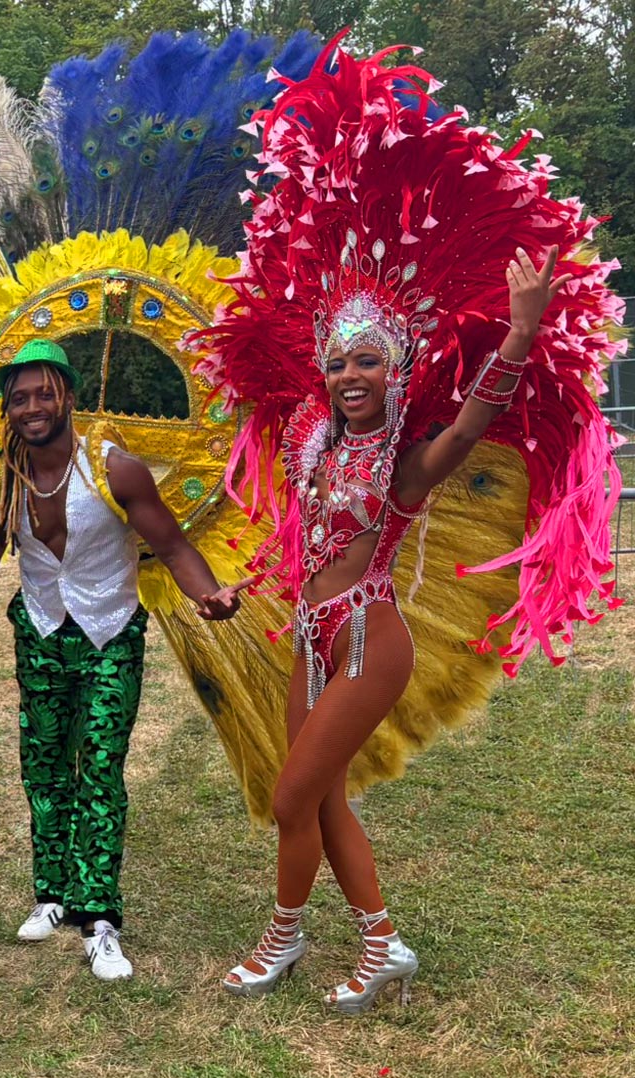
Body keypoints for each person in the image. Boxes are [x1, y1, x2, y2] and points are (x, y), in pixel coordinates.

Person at [196, 41, 621, 1012]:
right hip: (307, 635)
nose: (351, 376)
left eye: (371, 363)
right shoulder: (306, 430)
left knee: (293, 795)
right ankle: (379, 942)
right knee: (320, 792)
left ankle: (286, 939)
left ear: (398, 372)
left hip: (366, 640)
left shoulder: (408, 461)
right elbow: (249, 398)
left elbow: (474, 418)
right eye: (340, 361)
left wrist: (519, 332)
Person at [0, 339, 241, 982]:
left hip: (111, 635)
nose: (31, 407)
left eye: (43, 393)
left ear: (67, 396)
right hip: (39, 635)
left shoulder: (116, 469)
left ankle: (100, 919)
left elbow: (171, 546)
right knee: (43, 770)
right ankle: (52, 895)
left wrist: (208, 594)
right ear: (5, 409)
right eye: (18, 397)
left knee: (99, 769)